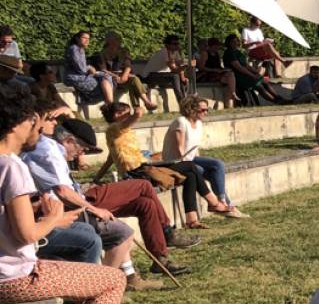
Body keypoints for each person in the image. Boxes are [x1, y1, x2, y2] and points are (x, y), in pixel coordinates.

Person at [0, 89, 153, 304]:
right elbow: (27, 235)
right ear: (17, 124)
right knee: (113, 280)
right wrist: (54, 219)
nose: (42, 127)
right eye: (37, 120)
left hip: (8, 272)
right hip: (15, 277)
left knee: (93, 279)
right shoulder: (12, 168)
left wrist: (36, 212)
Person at [22, 117, 164, 291]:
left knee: (144, 204)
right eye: (83, 148)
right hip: (65, 208)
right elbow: (62, 192)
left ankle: (129, 277)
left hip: (72, 202)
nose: (82, 154)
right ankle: (99, 288)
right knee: (127, 220)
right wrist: (94, 209)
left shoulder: (50, 150)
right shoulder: (49, 151)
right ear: (69, 141)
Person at [93, 102, 227, 235]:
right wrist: (137, 108)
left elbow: (111, 158)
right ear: (117, 115)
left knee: (190, 175)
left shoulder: (118, 133)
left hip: (143, 167)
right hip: (136, 172)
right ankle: (213, 202)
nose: (130, 116)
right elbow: (138, 114)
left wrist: (97, 177)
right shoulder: (115, 128)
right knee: (190, 166)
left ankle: (192, 220)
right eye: (126, 113)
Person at [164, 96, 248, 218]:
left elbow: (194, 148)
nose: (206, 112)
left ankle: (222, 202)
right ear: (191, 109)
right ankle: (221, 205)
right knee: (201, 170)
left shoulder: (198, 124)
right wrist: (191, 164)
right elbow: (179, 149)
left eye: (207, 109)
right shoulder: (181, 121)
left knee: (217, 164)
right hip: (175, 161)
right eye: (202, 110)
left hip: (190, 159)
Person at [19, 62, 100, 155]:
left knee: (74, 114)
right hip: (42, 117)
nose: (54, 73)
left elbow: (62, 102)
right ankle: (81, 154)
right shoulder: (31, 88)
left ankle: (83, 147)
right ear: (42, 76)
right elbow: (35, 107)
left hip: (53, 114)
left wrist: (66, 109)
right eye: (50, 72)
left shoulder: (50, 87)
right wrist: (55, 106)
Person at [93, 32, 158, 112]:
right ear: (109, 40)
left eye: (119, 39)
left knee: (134, 80)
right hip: (111, 78)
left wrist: (124, 76)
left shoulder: (123, 52)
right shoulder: (101, 54)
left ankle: (144, 103)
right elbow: (103, 70)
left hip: (123, 76)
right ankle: (140, 106)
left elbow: (128, 66)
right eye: (117, 39)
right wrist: (115, 76)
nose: (119, 41)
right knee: (133, 82)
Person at [224, 35, 286, 105]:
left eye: (237, 41)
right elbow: (239, 68)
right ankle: (276, 101)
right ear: (229, 43)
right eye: (233, 42)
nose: (235, 43)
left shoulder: (238, 52)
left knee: (264, 82)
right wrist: (252, 75)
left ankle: (279, 98)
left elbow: (246, 65)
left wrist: (255, 72)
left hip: (246, 73)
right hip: (238, 76)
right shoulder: (229, 53)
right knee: (259, 86)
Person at [63, 31, 115, 107]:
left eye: (88, 38)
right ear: (77, 38)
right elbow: (82, 69)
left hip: (80, 77)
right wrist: (89, 67)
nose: (87, 40)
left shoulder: (80, 49)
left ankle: (110, 105)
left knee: (106, 77)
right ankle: (110, 105)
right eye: (84, 38)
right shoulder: (74, 49)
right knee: (104, 82)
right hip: (74, 78)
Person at [139, 34, 188, 106]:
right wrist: (186, 66)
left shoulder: (175, 52)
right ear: (167, 44)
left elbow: (179, 66)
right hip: (150, 76)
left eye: (177, 43)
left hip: (162, 76)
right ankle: (182, 102)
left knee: (184, 80)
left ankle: (186, 101)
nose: (177, 46)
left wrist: (183, 78)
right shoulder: (165, 52)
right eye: (174, 44)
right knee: (175, 76)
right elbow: (174, 69)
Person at [194, 38, 237, 107]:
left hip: (217, 73)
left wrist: (223, 69)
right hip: (207, 74)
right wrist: (215, 70)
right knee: (229, 78)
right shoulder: (205, 53)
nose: (218, 47)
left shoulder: (217, 54)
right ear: (212, 46)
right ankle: (233, 93)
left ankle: (230, 100)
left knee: (230, 76)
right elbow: (201, 67)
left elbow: (218, 66)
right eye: (217, 46)